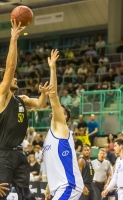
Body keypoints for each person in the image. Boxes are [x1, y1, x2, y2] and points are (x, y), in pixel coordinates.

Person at [0, 20, 53, 200]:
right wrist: (13, 39)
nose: (15, 78)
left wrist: (44, 94)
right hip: (2, 153)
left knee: (27, 194)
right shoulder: (2, 97)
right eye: (11, 78)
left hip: (18, 153)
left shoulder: (21, 100)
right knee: (2, 194)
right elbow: (10, 67)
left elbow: (40, 104)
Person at [43, 49, 85, 200]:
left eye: (62, 111)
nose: (57, 109)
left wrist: (53, 68)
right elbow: (53, 163)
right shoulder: (50, 134)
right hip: (59, 187)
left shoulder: (61, 127)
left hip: (68, 186)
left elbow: (53, 94)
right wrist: (49, 186)